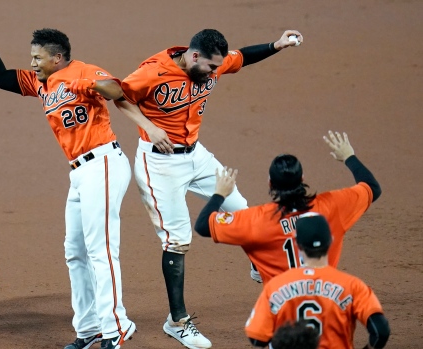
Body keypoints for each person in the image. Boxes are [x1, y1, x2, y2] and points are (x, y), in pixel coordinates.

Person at [114, 28, 303, 348]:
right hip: (159, 165)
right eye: (212, 68)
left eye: (218, 67)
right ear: (194, 55)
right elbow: (120, 96)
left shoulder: (211, 63)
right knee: (177, 241)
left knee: (240, 209)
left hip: (197, 156)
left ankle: (258, 267)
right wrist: (148, 126)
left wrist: (277, 45)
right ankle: (177, 321)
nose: (216, 72)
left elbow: (241, 57)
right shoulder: (152, 72)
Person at [0, 7, 135, 349]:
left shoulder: (83, 70)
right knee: (75, 251)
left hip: (103, 163)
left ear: (58, 58)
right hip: (80, 172)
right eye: (31, 58)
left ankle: (117, 327)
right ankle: (89, 329)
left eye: (38, 58)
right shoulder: (40, 84)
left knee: (100, 248)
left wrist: (92, 84)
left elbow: (117, 90)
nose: (32, 63)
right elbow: (0, 78)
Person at [194, 131, 381, 285]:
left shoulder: (257, 219)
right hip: (325, 308)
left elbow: (203, 226)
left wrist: (220, 193)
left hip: (282, 315)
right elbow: (372, 188)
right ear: (302, 179)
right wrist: (349, 157)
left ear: (270, 184)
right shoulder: (331, 206)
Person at [244, 213, 390, 349]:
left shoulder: (276, 286)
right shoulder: (353, 285)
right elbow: (380, 332)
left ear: (297, 244)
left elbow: (257, 338)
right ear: (331, 241)